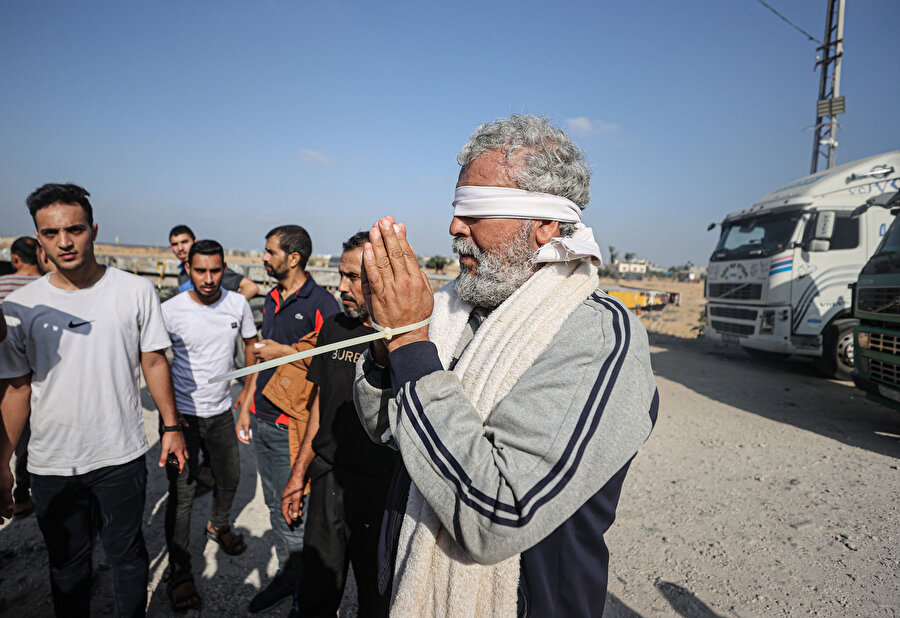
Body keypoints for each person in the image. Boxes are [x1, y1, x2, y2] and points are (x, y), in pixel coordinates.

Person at [353, 115, 658, 616]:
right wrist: (390, 351)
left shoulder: (596, 335)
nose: (455, 226)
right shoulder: (453, 309)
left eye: (476, 210)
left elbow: (496, 516)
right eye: (456, 207)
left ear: (544, 224)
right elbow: (386, 431)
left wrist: (411, 342)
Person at [0, 183, 188, 617]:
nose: (64, 242)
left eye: (75, 229)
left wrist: (172, 427)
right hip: (51, 463)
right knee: (66, 565)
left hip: (119, 455)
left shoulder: (135, 291)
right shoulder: (23, 304)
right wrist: (2, 460)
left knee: (126, 556)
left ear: (93, 229)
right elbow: (16, 388)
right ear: (38, 237)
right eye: (50, 233)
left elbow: (154, 362)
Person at [280, 232, 398, 617]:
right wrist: (300, 474)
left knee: (376, 600)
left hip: (380, 490)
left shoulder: (399, 341)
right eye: (340, 275)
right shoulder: (332, 329)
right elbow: (320, 408)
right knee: (316, 595)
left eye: (353, 278)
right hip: (329, 477)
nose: (341, 287)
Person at [234, 224, 340, 613]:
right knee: (273, 506)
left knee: (291, 510)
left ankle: (302, 597)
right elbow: (260, 363)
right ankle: (287, 576)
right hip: (262, 419)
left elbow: (331, 364)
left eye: (270, 252)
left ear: (293, 257)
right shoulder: (274, 296)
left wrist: (284, 352)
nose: (263, 258)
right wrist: (246, 404)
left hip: (288, 426)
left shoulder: (322, 305)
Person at [160, 239, 258, 611]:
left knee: (230, 476)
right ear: (188, 269)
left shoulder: (237, 304)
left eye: (215, 270)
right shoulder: (169, 311)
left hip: (220, 414)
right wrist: (169, 420)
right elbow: (153, 361)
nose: (208, 278)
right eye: (200, 270)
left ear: (224, 268)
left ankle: (218, 525)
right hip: (183, 418)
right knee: (182, 496)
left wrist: (246, 400)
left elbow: (251, 346)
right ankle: (181, 571)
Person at [0, 237, 43, 518]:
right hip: (40, 378)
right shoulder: (48, 288)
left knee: (10, 434)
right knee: (33, 435)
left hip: (7, 377)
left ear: (15, 258)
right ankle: (26, 489)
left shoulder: (2, 287)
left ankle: (14, 489)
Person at [168, 224, 259, 300]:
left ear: (195, 242)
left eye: (184, 242)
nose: (180, 248)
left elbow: (251, 287)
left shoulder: (213, 270)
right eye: (175, 244)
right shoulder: (182, 276)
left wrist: (230, 308)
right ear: (171, 248)